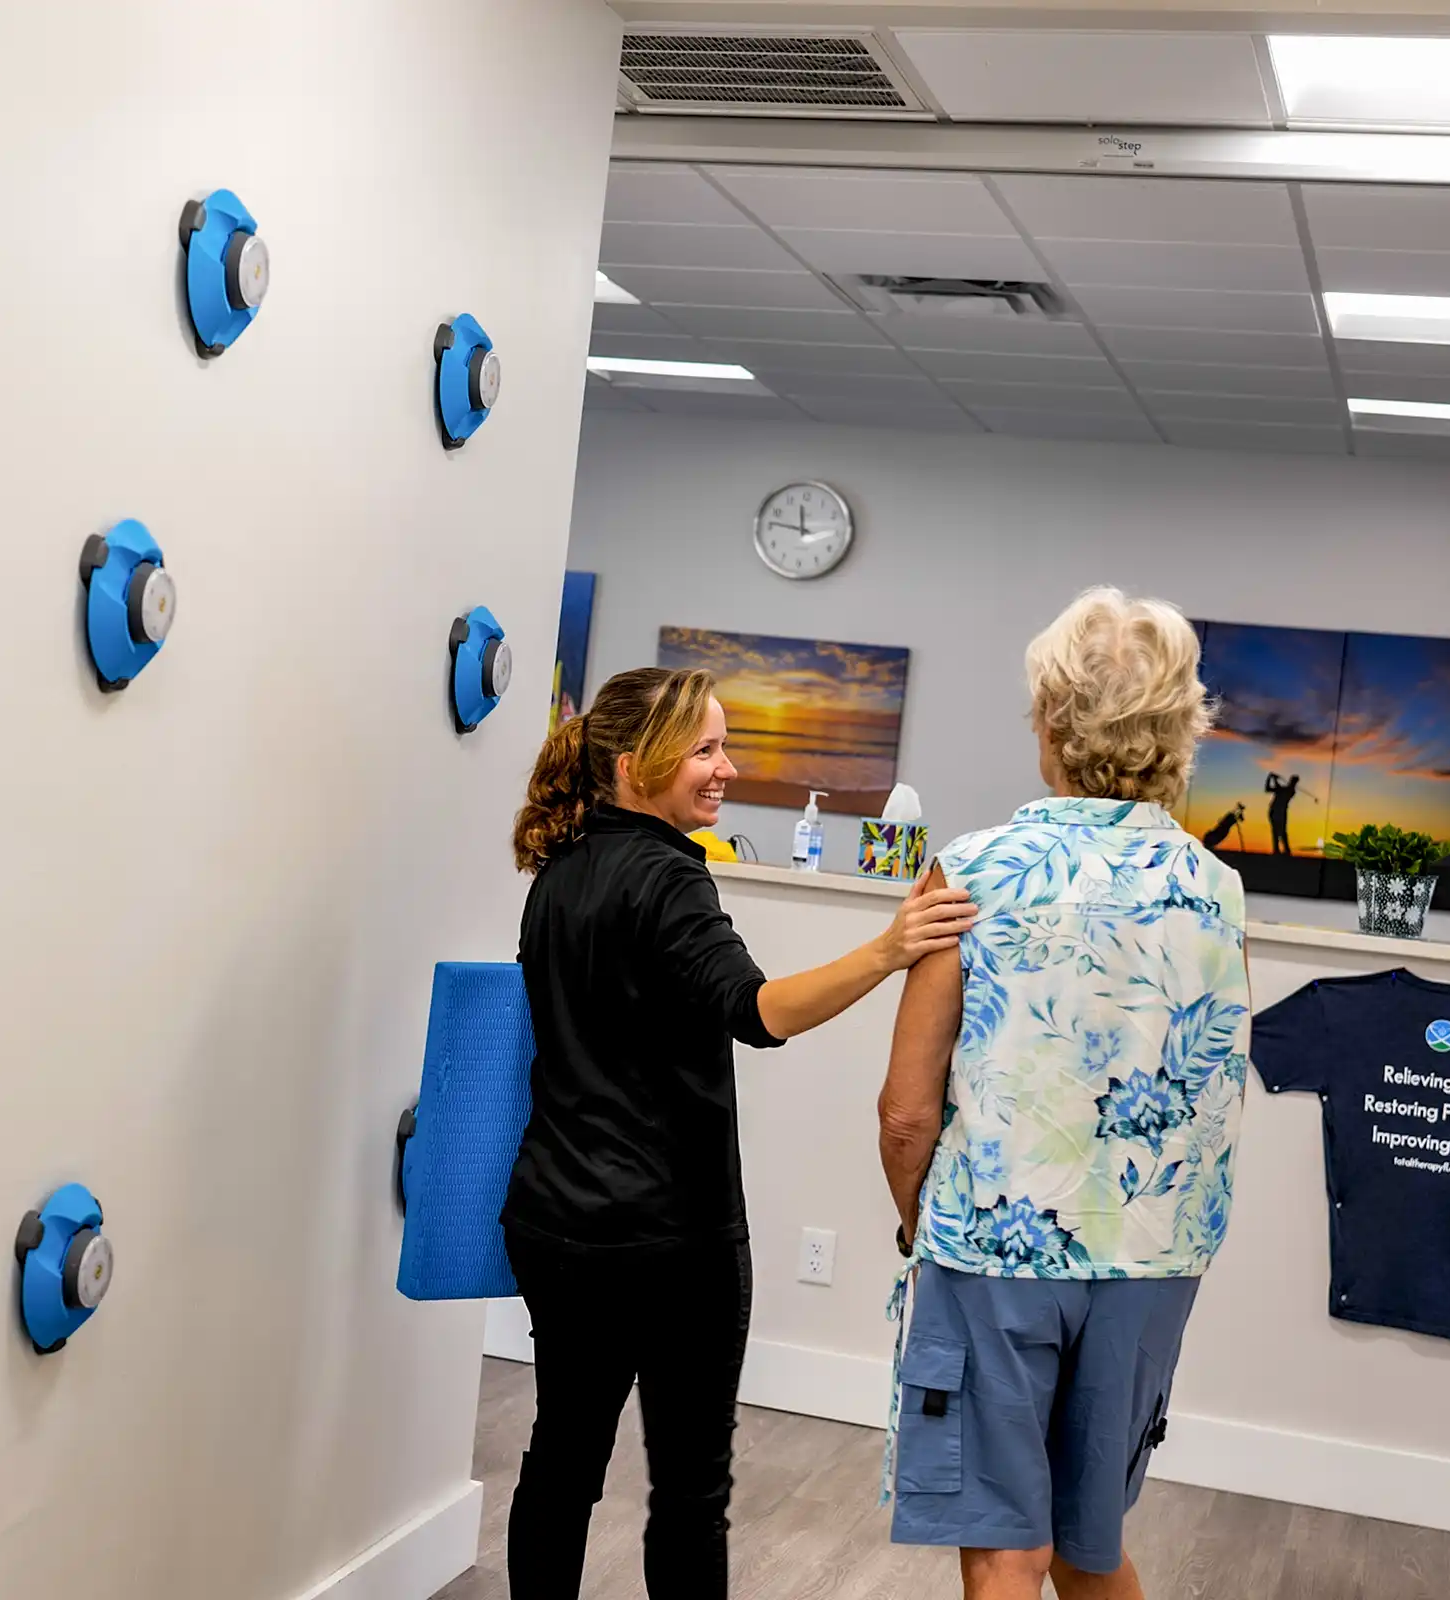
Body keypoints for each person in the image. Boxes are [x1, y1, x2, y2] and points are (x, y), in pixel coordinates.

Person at [502, 665, 976, 1600]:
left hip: (555, 1221)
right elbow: (759, 1011)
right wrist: (890, 948)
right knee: (688, 1493)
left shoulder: (560, 870)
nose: (726, 768)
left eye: (726, 745)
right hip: (668, 1242)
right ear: (636, 766)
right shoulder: (670, 879)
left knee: (561, 1461)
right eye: (706, 750)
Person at [876, 588, 1251, 1600]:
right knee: (1089, 1541)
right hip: (1153, 1256)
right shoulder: (1214, 888)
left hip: (993, 1244)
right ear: (1177, 732)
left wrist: (921, 1220)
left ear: (1052, 720)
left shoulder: (977, 872)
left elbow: (907, 1107)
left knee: (1005, 1546)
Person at [1265, 772, 1300, 856]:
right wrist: (1270, 778)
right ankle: (1277, 850)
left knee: (1282, 832)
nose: (1292, 783)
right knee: (1275, 831)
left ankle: (1285, 850)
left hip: (1280, 812)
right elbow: (1267, 789)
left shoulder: (1290, 791)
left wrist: (1273, 778)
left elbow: (1278, 789)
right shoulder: (1286, 789)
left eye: (1293, 781)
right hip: (1274, 811)